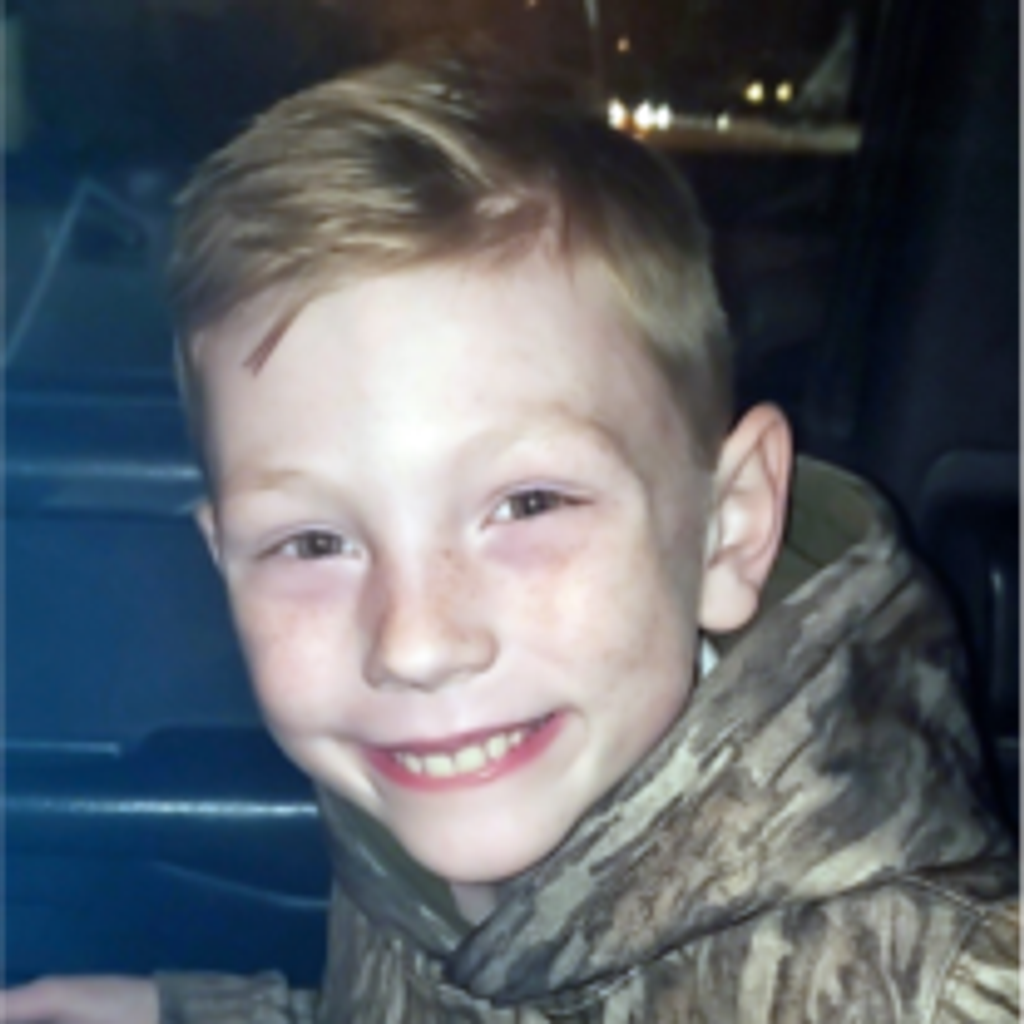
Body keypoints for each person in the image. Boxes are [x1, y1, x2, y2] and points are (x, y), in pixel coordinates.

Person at [1, 50, 1021, 1024]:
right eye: (313, 543)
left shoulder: (947, 990)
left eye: (529, 504)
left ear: (730, 523)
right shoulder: (416, 796)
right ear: (224, 557)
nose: (414, 643)